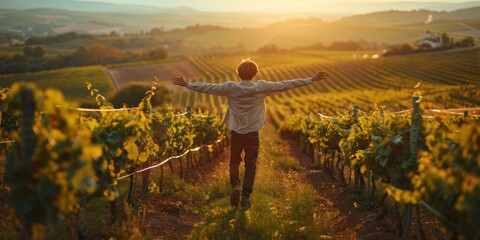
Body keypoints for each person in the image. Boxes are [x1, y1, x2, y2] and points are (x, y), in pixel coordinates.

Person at [171, 59, 329, 208]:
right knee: (250, 164)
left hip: (236, 131)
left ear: (238, 73)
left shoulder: (230, 87)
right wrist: (311, 79)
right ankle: (246, 196)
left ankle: (236, 185)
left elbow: (207, 87)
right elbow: (287, 84)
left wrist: (187, 84)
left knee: (234, 160)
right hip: (253, 131)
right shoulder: (262, 87)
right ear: (255, 73)